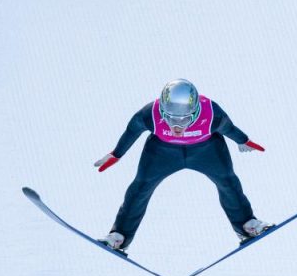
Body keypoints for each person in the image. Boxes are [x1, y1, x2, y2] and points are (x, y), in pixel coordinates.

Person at [94, 79, 270, 252]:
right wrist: (116, 154)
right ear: (162, 110)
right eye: (170, 118)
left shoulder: (212, 113)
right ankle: (119, 235)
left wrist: (243, 140)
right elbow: (132, 131)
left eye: (185, 119)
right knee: (140, 187)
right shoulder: (150, 114)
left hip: (206, 150)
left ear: (195, 111)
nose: (177, 126)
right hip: (163, 152)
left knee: (228, 182)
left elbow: (229, 128)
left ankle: (247, 225)